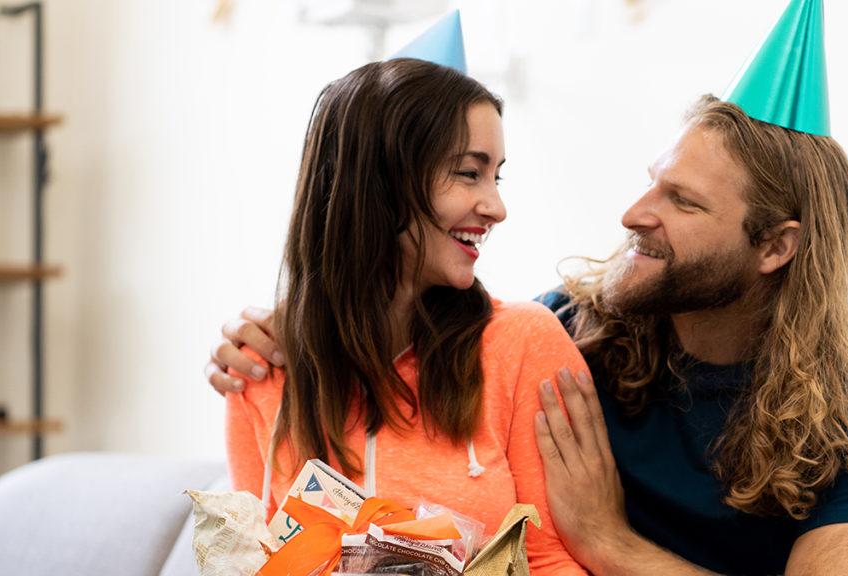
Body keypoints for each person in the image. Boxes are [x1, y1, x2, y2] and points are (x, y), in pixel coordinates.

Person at [209, 2, 848, 574]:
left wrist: (610, 542)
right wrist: (288, 328)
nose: (634, 214)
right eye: (652, 182)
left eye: (683, 201)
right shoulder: (572, 331)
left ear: (775, 247)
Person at [224, 55, 587, 575]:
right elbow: (252, 561)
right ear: (381, 181)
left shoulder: (523, 343)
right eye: (470, 173)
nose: (496, 207)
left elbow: (551, 557)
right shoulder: (259, 368)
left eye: (496, 177)